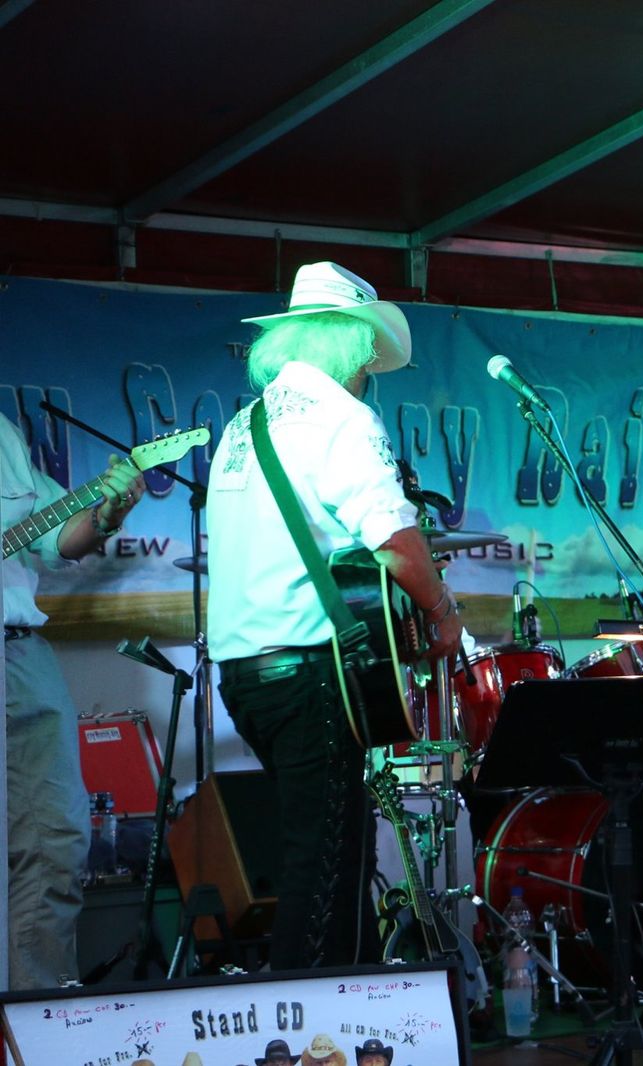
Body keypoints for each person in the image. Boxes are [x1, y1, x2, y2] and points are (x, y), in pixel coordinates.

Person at [208, 261, 463, 972]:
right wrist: (442, 612)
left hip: (246, 675)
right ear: (353, 350)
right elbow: (395, 541)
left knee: (321, 857)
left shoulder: (243, 426)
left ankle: (343, 1012)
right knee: (325, 873)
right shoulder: (341, 419)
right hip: (309, 675)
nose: (368, 376)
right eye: (368, 361)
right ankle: (313, 1023)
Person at [3, 413, 144, 989]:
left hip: (18, 651)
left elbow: (55, 536)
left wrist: (107, 514)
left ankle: (37, 1016)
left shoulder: (1, 433)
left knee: (55, 838)